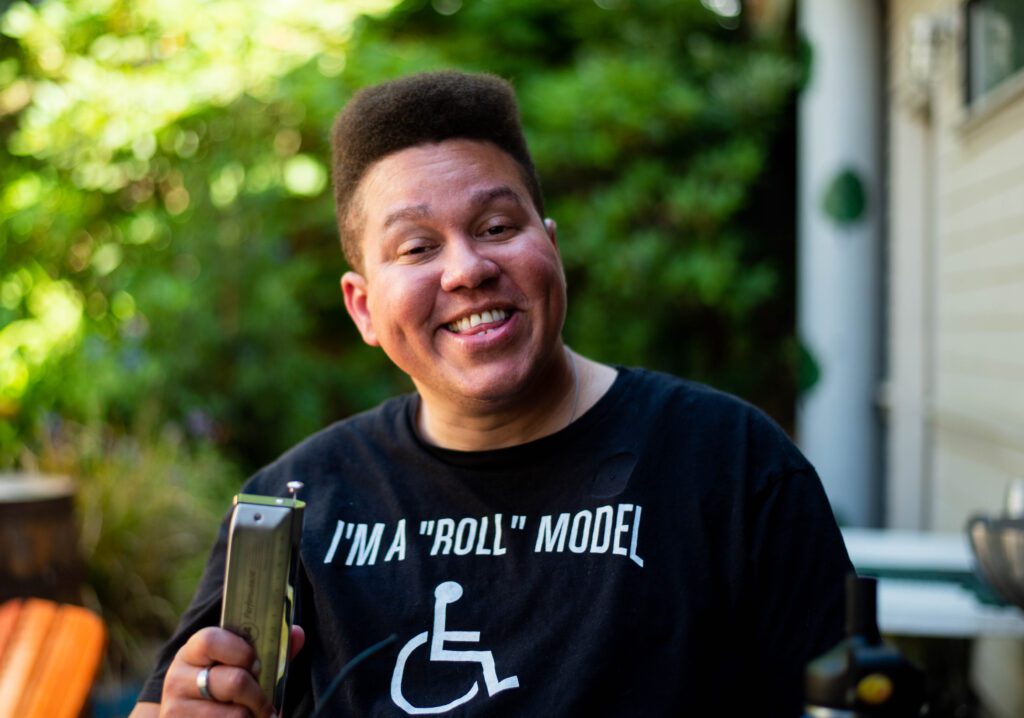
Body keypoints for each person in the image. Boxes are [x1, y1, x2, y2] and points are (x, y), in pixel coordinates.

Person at [131, 70, 852, 718]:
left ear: (551, 246)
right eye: (416, 247)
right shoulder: (296, 501)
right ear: (362, 308)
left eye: (497, 227)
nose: (467, 269)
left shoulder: (729, 465)